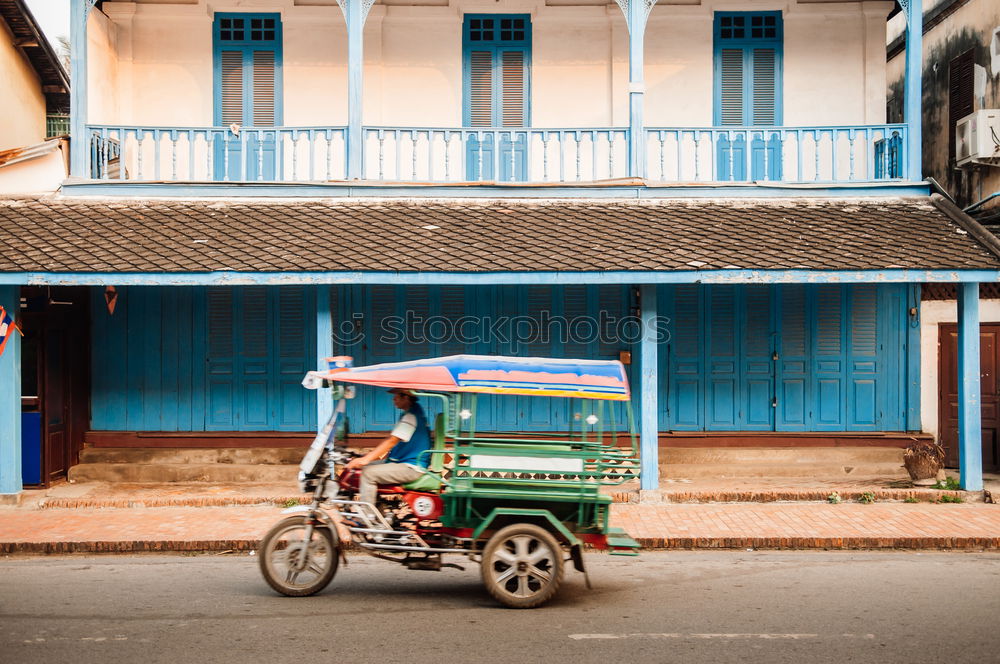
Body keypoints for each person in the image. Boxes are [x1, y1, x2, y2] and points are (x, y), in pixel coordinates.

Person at [346, 388, 431, 506]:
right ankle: (378, 508)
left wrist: (365, 459)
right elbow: (392, 440)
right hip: (406, 462)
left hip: (411, 467)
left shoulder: (410, 416)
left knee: (368, 473)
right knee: (362, 469)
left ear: (406, 397)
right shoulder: (413, 412)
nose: (393, 399)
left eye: (396, 396)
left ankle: (368, 517)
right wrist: (366, 458)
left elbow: (392, 441)